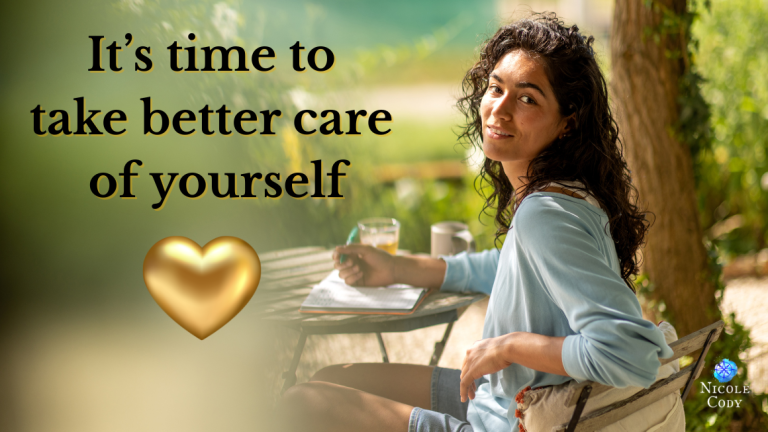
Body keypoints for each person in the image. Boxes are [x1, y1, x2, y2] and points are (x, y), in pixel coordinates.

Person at [278, 12, 678, 432]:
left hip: (506, 422)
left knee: (302, 402)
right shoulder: (567, 193)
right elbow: (508, 268)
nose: (499, 110)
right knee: (334, 379)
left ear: (567, 122)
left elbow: (631, 352)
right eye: (496, 88)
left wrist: (510, 347)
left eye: (527, 98)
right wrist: (397, 268)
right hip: (499, 400)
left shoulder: (547, 215)